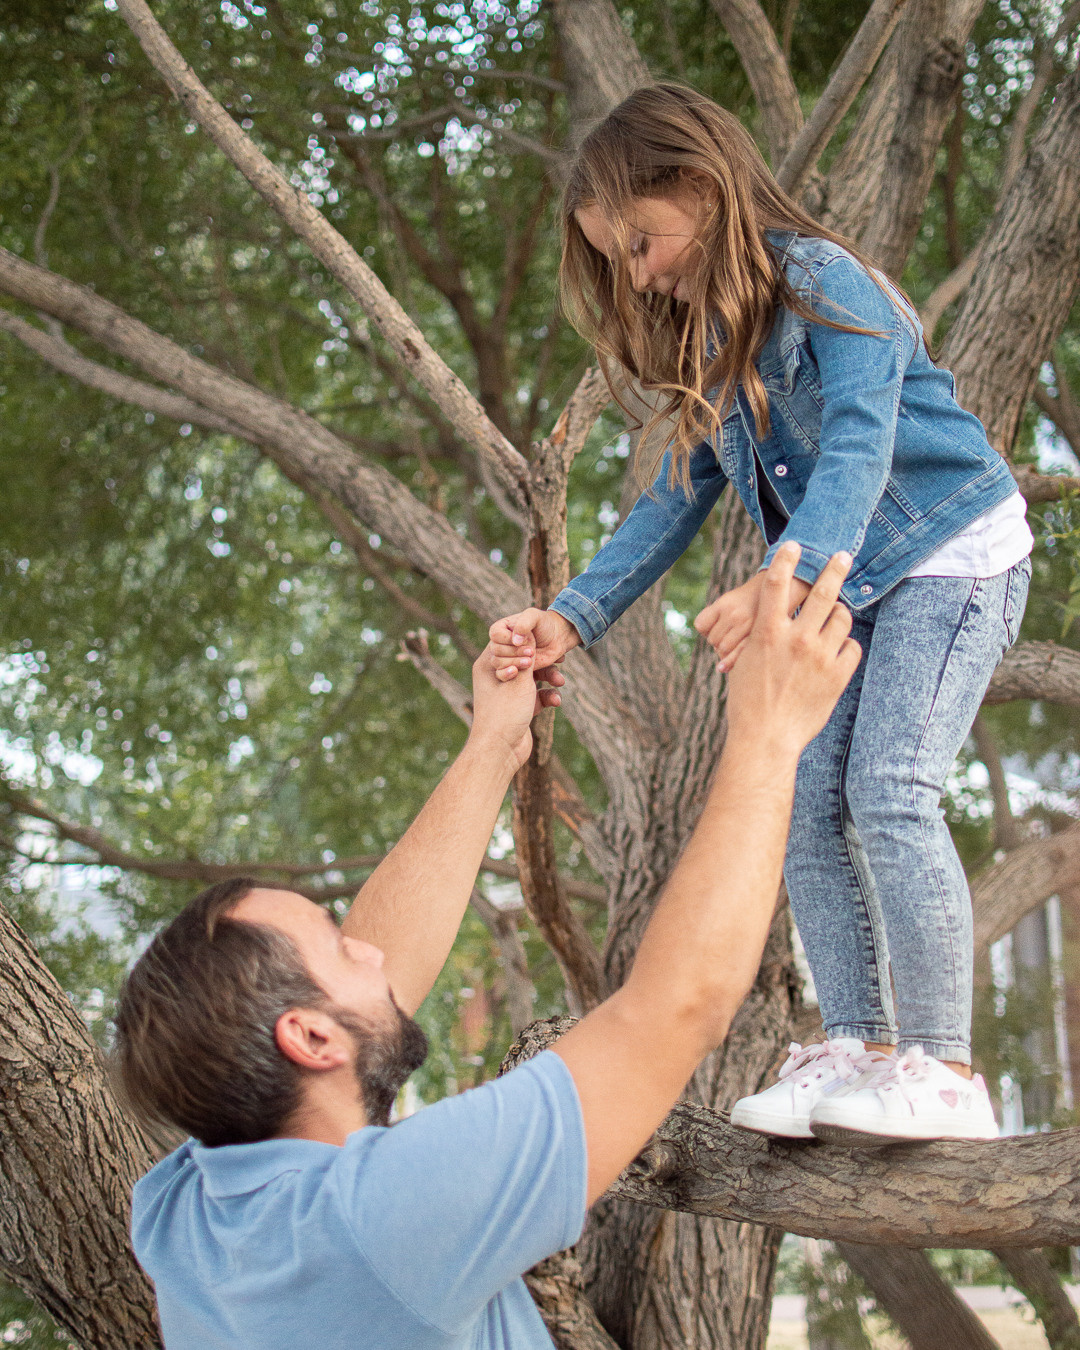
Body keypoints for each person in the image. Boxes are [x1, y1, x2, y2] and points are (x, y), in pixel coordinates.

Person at [115, 544, 857, 1350]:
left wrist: (493, 746)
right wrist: (772, 731)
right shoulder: (386, 1217)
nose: (368, 953)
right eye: (337, 946)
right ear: (309, 1037)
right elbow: (679, 1008)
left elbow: (374, 966)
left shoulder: (186, 1211)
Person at [490, 82, 1032, 1146]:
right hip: (850, 580)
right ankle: (859, 1046)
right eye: (620, 263)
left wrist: (780, 576)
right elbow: (671, 498)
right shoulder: (712, 346)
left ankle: (945, 1069)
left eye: (639, 242)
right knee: (803, 802)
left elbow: (861, 452)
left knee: (890, 789)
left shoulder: (836, 290)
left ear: (698, 184)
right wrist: (574, 616)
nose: (638, 273)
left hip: (951, 555)